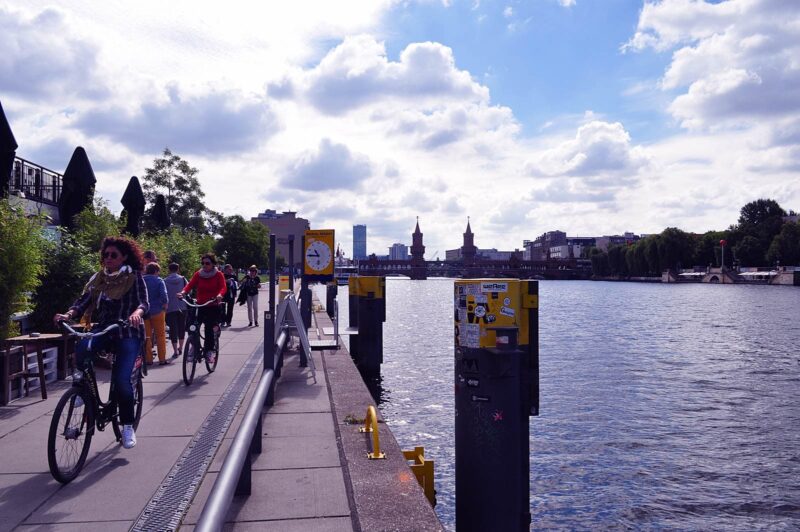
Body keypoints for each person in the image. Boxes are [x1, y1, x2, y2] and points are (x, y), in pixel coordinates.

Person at [53, 236, 148, 450]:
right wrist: (69, 313)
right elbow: (85, 299)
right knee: (83, 348)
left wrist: (137, 313)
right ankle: (82, 390)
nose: (108, 258)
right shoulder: (100, 279)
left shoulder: (134, 277)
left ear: (124, 257)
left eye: (113, 255)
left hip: (127, 331)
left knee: (123, 380)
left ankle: (127, 426)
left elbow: (144, 302)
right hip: (105, 328)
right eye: (105, 255)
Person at [178, 253, 226, 363]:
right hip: (200, 305)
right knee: (191, 326)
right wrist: (182, 293)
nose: (204, 265)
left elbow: (223, 287)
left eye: (207, 263)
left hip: (212, 305)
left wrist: (219, 295)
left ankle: (209, 351)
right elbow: (189, 285)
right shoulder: (199, 274)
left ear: (213, 264)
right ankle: (194, 347)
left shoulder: (218, 274)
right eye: (203, 263)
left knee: (209, 329)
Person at [143, 262, 169, 365]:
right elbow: (164, 295)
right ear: (156, 271)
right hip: (158, 311)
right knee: (160, 336)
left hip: (144, 312)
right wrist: (165, 304)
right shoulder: (159, 281)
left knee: (147, 336)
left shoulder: (142, 280)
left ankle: (148, 359)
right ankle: (162, 359)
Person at [164, 262, 188, 359]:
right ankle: (181, 348)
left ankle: (174, 351)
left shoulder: (164, 281)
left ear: (169, 270)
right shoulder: (183, 279)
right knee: (181, 327)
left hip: (170, 308)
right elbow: (188, 290)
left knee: (173, 329)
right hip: (182, 306)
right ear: (178, 269)